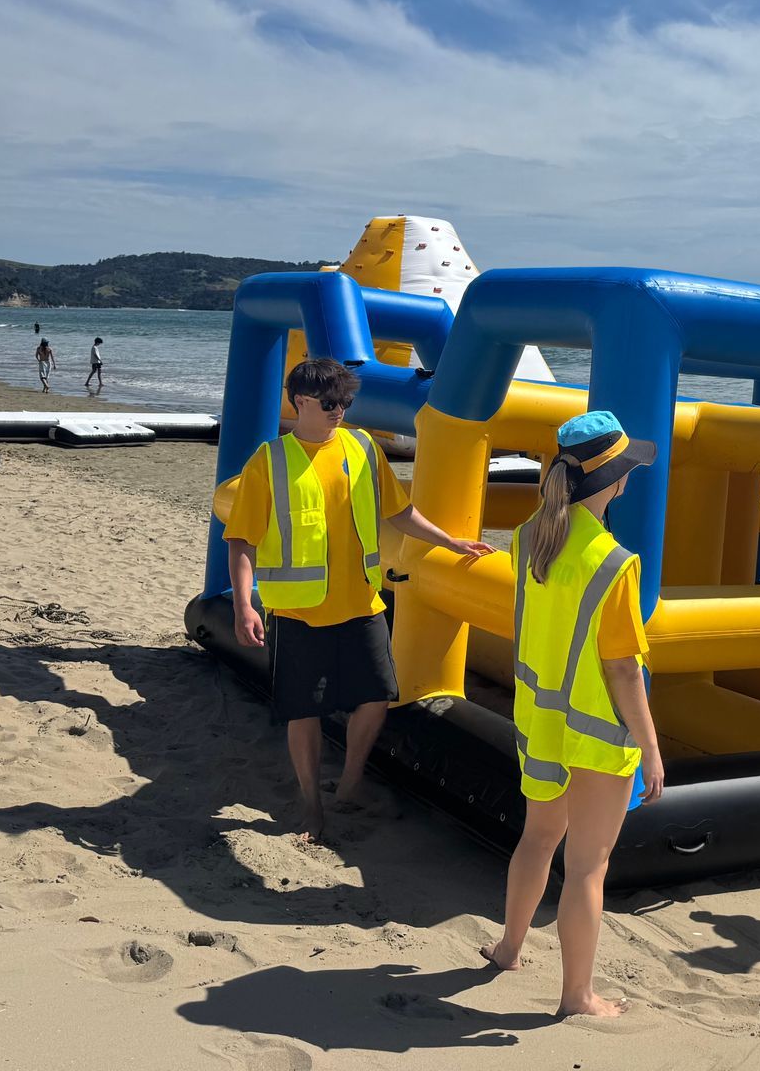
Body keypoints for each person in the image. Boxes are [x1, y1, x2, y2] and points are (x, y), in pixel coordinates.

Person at [223, 358, 493, 843]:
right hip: (297, 612)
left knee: (377, 698)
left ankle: (349, 785)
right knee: (301, 712)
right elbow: (240, 540)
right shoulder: (269, 461)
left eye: (346, 402)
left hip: (362, 607)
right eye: (330, 403)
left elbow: (400, 511)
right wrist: (244, 604)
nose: (340, 411)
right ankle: (311, 808)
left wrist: (451, 542)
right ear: (299, 401)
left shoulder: (363, 448)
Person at [480, 411, 663, 1018]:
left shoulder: (528, 537)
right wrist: (653, 749)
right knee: (587, 866)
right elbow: (622, 671)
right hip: (598, 732)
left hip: (540, 721)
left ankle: (509, 947)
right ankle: (576, 996)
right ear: (613, 482)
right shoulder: (614, 563)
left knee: (536, 840)